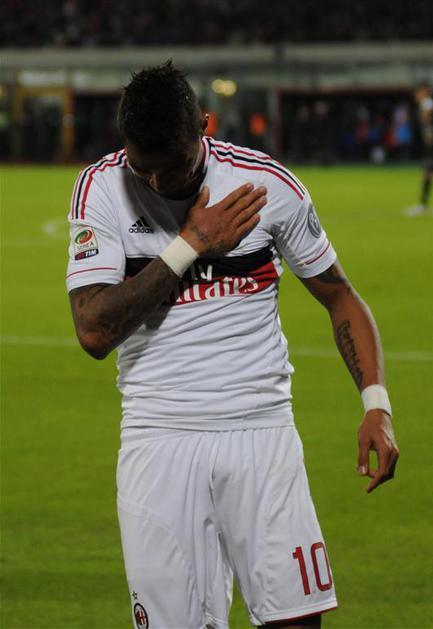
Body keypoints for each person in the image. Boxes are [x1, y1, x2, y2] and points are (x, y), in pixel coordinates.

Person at [66, 61, 399, 629]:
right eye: (144, 171)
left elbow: (341, 297)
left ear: (205, 126)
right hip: (159, 435)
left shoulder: (265, 185)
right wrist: (192, 243)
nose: (157, 185)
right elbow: (94, 331)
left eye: (173, 168)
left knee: (296, 620)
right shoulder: (101, 188)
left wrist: (377, 406)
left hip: (261, 430)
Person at [407, 84, 433, 215]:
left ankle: (423, 206)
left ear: (424, 92)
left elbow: (426, 121)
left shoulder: (426, 103)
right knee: (427, 172)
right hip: (429, 145)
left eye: (418, 92)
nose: (415, 95)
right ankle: (423, 205)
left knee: (427, 173)